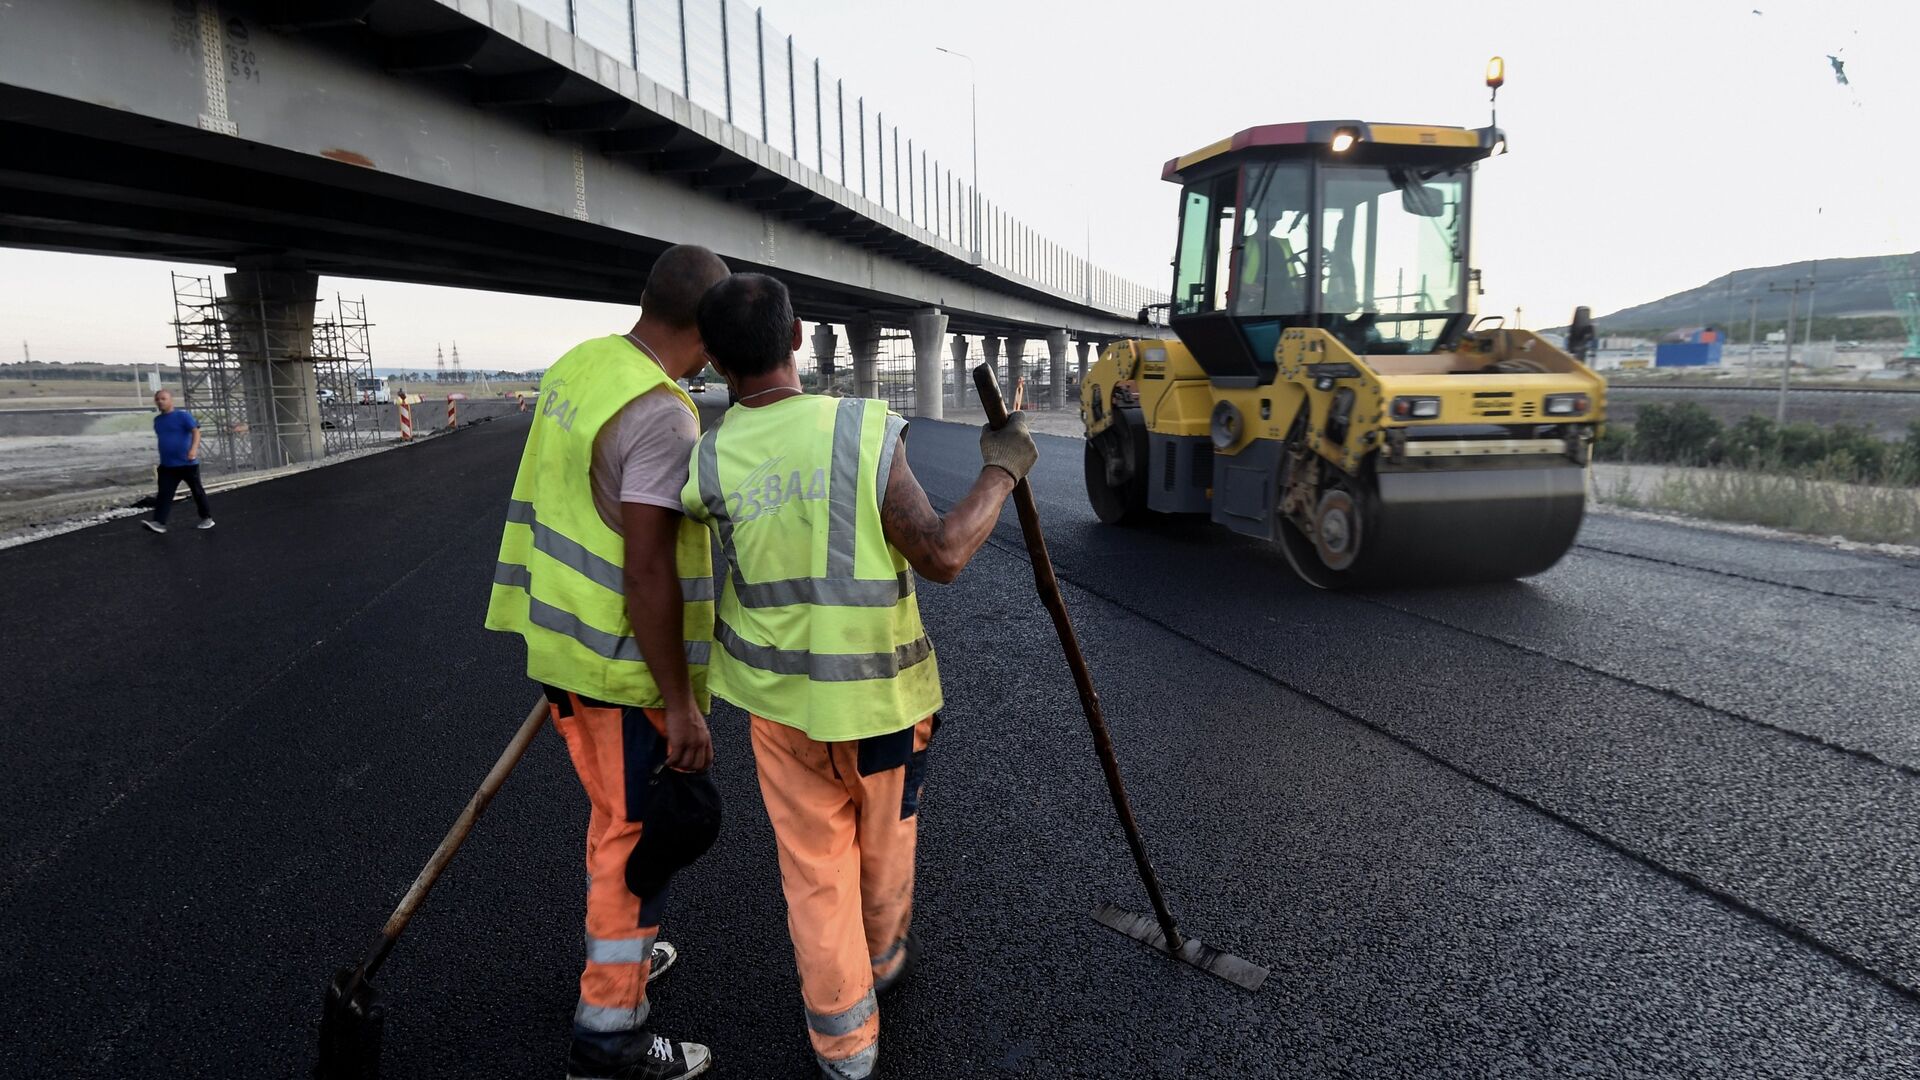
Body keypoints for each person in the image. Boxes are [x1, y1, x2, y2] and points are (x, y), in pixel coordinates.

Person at [682, 274, 1038, 1080]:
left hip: (781, 714)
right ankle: (880, 965)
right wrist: (1004, 470)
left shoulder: (708, 459)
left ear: (714, 362)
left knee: (814, 873)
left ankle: (844, 1046)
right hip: (882, 707)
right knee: (885, 846)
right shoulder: (861, 430)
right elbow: (942, 553)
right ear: (800, 337)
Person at [484, 244, 733, 1080]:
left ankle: (623, 961)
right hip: (620, 671)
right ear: (705, 328)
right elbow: (648, 568)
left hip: (561, 644)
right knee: (637, 834)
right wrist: (680, 703)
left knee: (611, 821)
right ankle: (610, 1032)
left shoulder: (581, 365)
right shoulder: (663, 414)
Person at [143, 389, 214, 533]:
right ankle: (159, 523)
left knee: (197, 491)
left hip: (187, 463)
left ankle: (207, 518)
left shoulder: (182, 416)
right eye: (158, 399)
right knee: (164, 493)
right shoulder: (158, 421)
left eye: (163, 399)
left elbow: (196, 431)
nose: (160, 401)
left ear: (171, 400)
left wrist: (193, 449)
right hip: (168, 465)